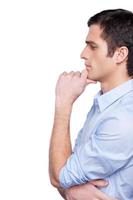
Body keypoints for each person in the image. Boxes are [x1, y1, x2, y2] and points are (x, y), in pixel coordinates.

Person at [49, 9, 133, 200]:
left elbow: (59, 176)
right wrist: (71, 189)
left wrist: (64, 103)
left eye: (92, 47)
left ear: (120, 54)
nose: (83, 54)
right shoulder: (106, 103)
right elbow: (66, 172)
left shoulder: (124, 118)